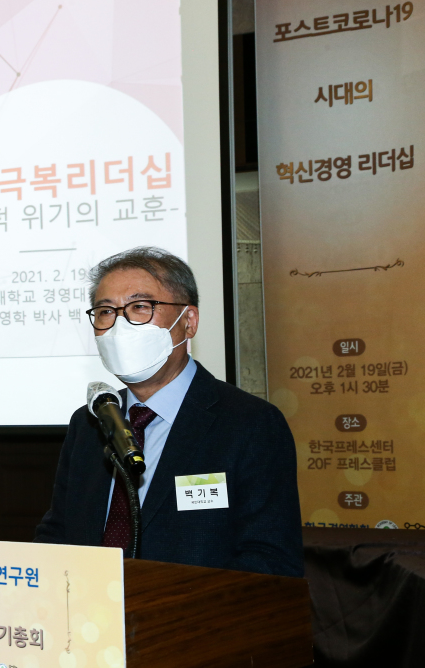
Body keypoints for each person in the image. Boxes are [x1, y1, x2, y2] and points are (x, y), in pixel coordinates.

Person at [34, 247, 303, 577]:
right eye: (106, 311)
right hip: (91, 608)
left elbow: (270, 559)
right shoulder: (90, 422)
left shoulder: (250, 423)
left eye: (140, 307)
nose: (119, 326)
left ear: (189, 321)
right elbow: (59, 534)